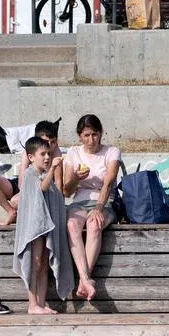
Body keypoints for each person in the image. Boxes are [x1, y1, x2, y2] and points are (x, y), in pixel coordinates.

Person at [62, 114, 121, 302]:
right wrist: (76, 179)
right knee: (72, 225)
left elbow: (108, 183)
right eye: (86, 135)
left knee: (94, 223)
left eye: (95, 135)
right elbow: (66, 190)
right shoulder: (73, 153)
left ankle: (82, 280)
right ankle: (86, 279)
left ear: (101, 133)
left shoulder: (111, 152)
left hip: (105, 201)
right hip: (79, 201)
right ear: (80, 136)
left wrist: (98, 207)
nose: (91, 140)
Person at [13, 137, 72, 315]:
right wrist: (53, 168)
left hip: (46, 228)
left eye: (49, 154)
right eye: (42, 154)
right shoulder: (30, 174)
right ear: (31, 157)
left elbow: (52, 194)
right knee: (35, 263)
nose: (46, 157)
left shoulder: (43, 175)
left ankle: (41, 302)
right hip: (35, 229)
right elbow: (42, 189)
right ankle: (32, 304)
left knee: (44, 264)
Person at [0, 120, 62, 226]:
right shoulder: (29, 151)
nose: (50, 145)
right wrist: (23, 195)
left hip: (43, 188)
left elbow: (58, 182)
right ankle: (11, 212)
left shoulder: (56, 153)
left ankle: (24, 213)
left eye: (53, 142)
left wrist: (59, 209)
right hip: (27, 184)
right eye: (46, 141)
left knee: (16, 201)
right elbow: (22, 181)